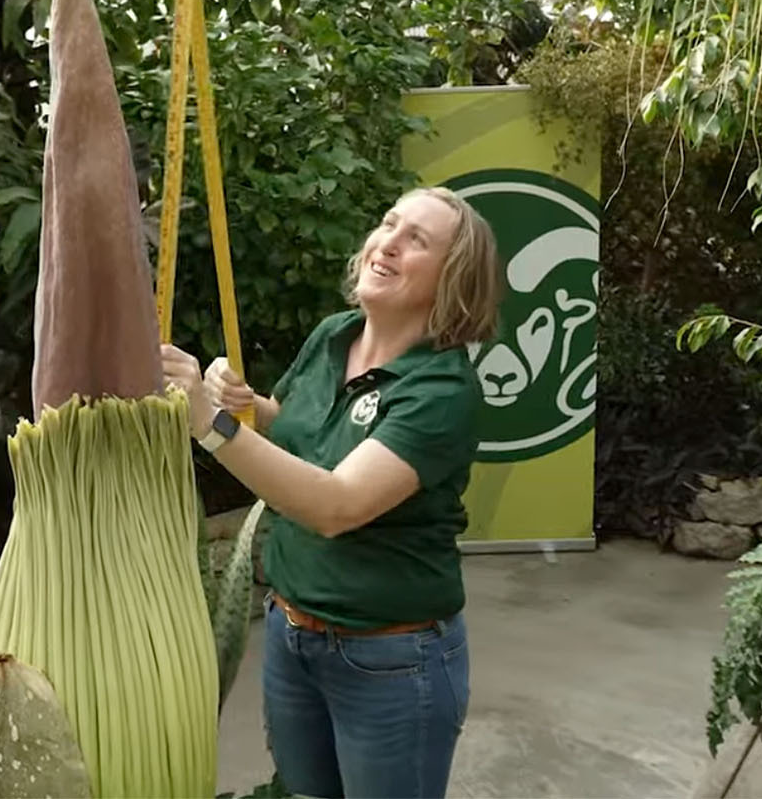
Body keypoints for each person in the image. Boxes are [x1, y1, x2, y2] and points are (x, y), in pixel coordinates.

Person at [160, 185, 504, 798]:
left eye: (416, 240)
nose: (388, 243)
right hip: (292, 636)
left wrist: (207, 426)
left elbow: (336, 505)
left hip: (392, 662)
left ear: (454, 281)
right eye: (389, 223)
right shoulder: (334, 336)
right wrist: (247, 408)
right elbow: (301, 426)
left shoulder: (442, 391)